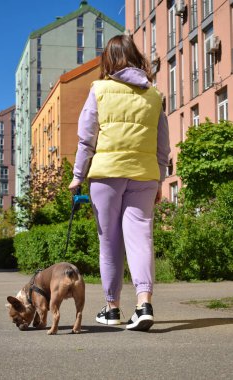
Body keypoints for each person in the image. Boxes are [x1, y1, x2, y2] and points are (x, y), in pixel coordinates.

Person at [68, 35, 170, 331]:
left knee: (109, 241)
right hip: (144, 175)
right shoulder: (155, 95)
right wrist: (160, 180)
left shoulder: (99, 89)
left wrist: (77, 176)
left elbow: (86, 139)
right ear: (136, 57)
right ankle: (144, 304)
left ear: (109, 61)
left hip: (106, 175)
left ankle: (111, 308)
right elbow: (162, 146)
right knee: (141, 238)